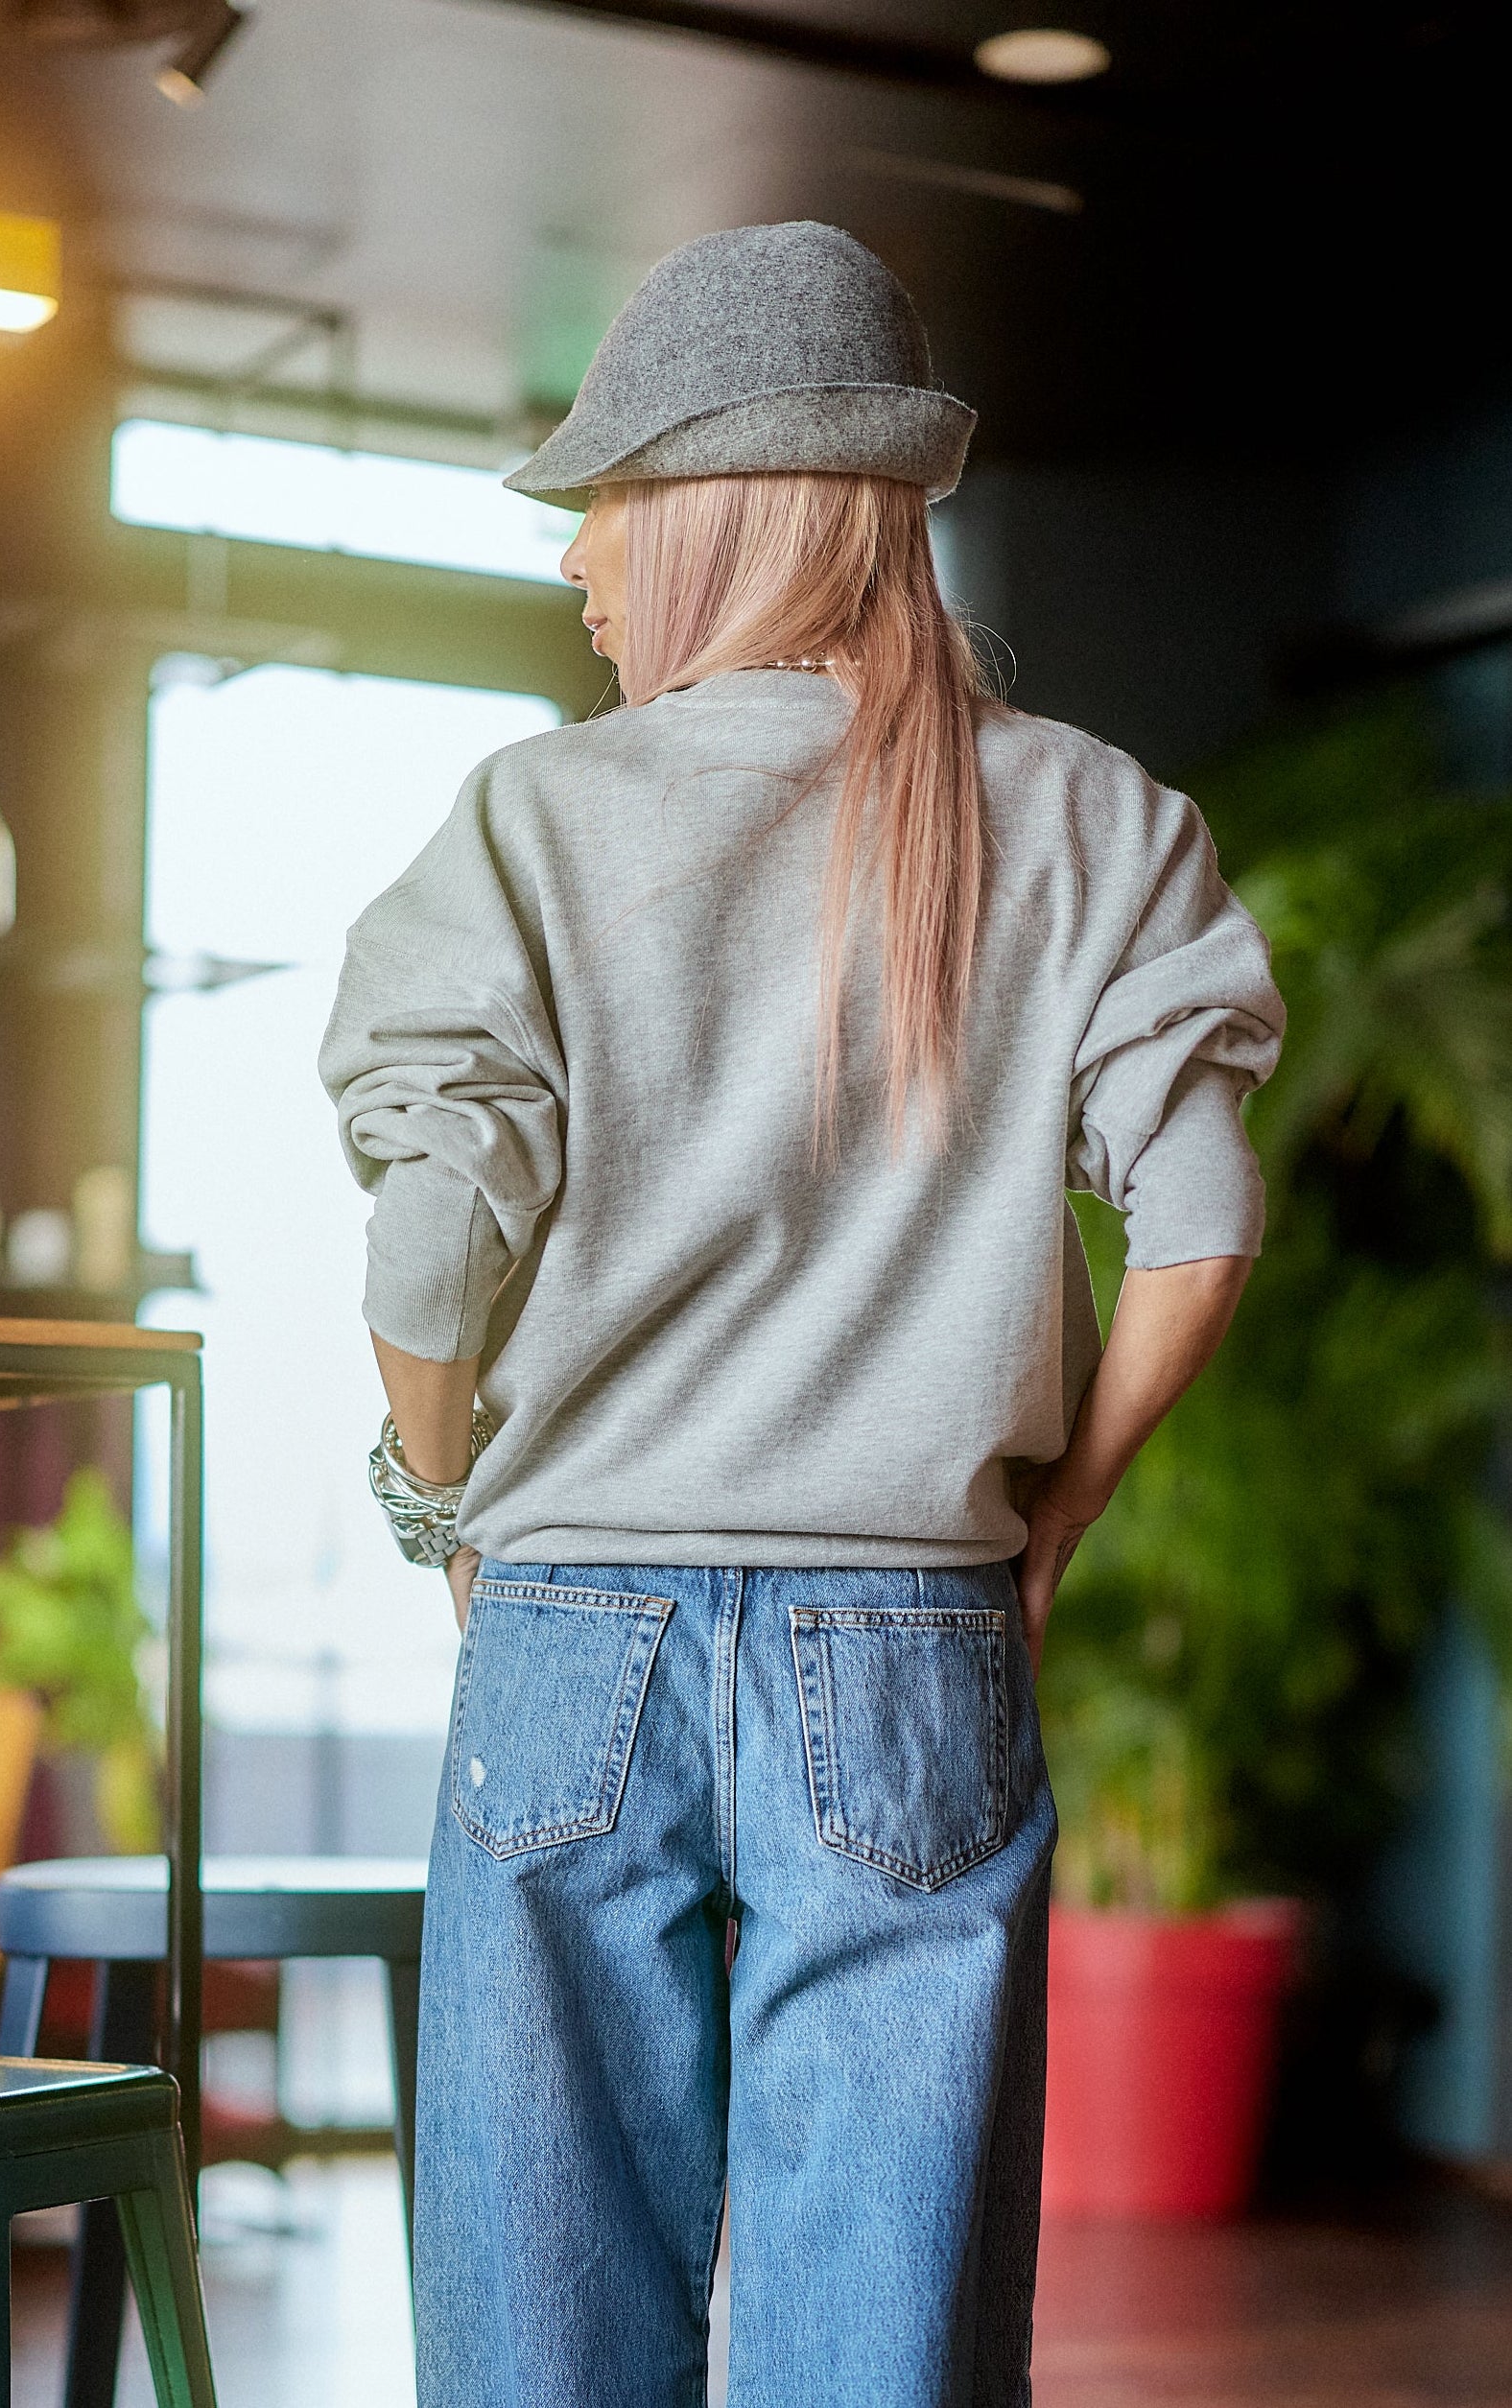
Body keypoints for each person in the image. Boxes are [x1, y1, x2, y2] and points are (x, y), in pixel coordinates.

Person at [320, 220, 1284, 2408]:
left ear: (704, 517)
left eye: (604, 508)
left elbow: (423, 1247)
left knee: (540, 2340)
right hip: (919, 1637)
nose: (581, 566)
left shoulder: (532, 821)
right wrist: (1055, 1516)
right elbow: (1202, 1219)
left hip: (572, 1625)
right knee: (889, 2343)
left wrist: (444, 1489)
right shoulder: (1093, 821)